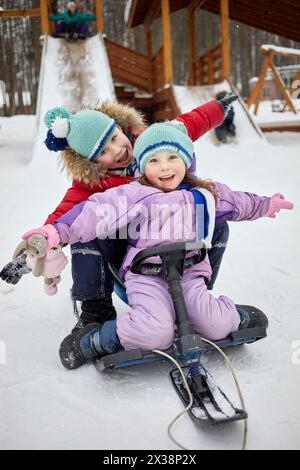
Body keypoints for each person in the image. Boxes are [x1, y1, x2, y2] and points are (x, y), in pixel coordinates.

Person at [21, 120, 294, 369]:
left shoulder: (204, 194)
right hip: (147, 277)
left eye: (172, 157)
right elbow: (94, 212)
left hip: (190, 274)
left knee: (215, 324)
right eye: (154, 160)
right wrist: (54, 233)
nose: (164, 167)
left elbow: (238, 202)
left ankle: (232, 316)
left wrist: (267, 204)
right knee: (157, 333)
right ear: (142, 166)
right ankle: (98, 338)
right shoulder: (134, 194)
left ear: (186, 160)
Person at [0, 96, 235, 333]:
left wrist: (218, 108)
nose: (118, 150)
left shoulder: (154, 141)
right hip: (135, 261)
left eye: (114, 138)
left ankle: (196, 297)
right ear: (93, 163)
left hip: (180, 249)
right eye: (104, 152)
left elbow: (189, 124)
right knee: (89, 228)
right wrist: (33, 252)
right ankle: (95, 311)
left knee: (215, 222)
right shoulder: (91, 184)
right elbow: (64, 218)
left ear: (120, 127)